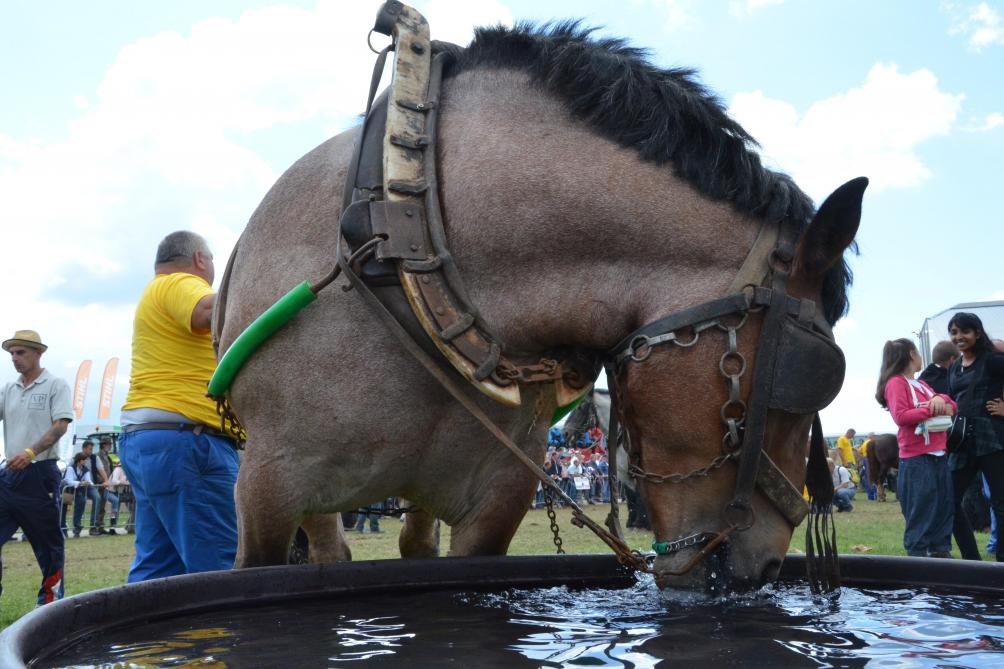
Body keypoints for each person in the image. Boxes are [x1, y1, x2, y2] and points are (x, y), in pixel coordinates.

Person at [119, 231, 240, 581]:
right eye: (213, 261)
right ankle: (218, 637)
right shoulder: (178, 283)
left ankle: (149, 636)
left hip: (151, 440)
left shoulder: (154, 293)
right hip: (188, 442)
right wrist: (260, 290)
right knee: (219, 568)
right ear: (201, 259)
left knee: (159, 567)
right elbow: (206, 311)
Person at [0, 329, 73, 605]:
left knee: (48, 545)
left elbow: (61, 425)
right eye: (11, 354)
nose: (15, 358)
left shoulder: (55, 385)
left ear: (38, 353)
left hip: (40, 474)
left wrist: (30, 452)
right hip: (8, 476)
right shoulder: (8, 389)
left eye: (21, 352)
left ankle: (50, 602)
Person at [876, 338, 956, 558]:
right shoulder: (896, 383)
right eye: (919, 353)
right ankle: (919, 567)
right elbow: (900, 416)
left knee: (943, 511)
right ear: (912, 354)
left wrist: (940, 398)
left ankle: (941, 559)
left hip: (938, 456)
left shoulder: (920, 384)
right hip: (918, 459)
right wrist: (934, 408)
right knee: (921, 516)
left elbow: (952, 404)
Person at [946, 312, 1004, 562]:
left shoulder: (993, 361)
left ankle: (1002, 559)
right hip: (962, 442)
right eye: (954, 332)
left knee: (1001, 504)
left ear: (977, 333)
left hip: (993, 440)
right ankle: (972, 560)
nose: (959, 337)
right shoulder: (954, 368)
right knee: (949, 502)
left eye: (964, 332)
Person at [61, 452, 94, 538]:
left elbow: (89, 480)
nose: (85, 462)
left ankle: (77, 525)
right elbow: (69, 481)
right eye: (84, 460)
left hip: (77, 490)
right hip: (66, 491)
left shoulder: (85, 469)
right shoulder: (70, 469)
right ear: (79, 461)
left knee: (82, 501)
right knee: (63, 510)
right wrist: (81, 482)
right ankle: (63, 529)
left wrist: (88, 483)